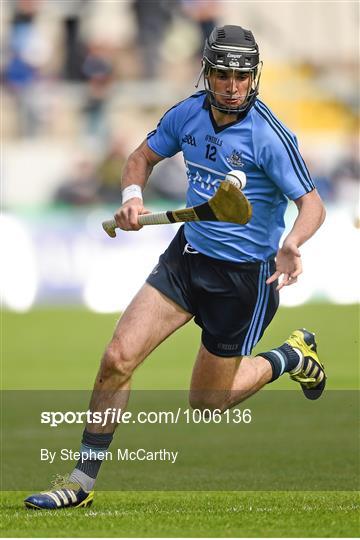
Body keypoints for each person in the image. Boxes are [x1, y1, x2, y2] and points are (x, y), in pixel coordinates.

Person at [25, 25, 326, 510]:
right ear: (207, 73)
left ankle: (289, 356)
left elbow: (312, 205)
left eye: (242, 76)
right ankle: (80, 482)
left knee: (207, 404)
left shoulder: (271, 136)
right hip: (186, 257)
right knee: (117, 358)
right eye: (223, 74)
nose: (232, 85)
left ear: (255, 78)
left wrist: (292, 242)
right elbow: (141, 158)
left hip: (243, 280)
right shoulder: (187, 115)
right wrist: (131, 197)